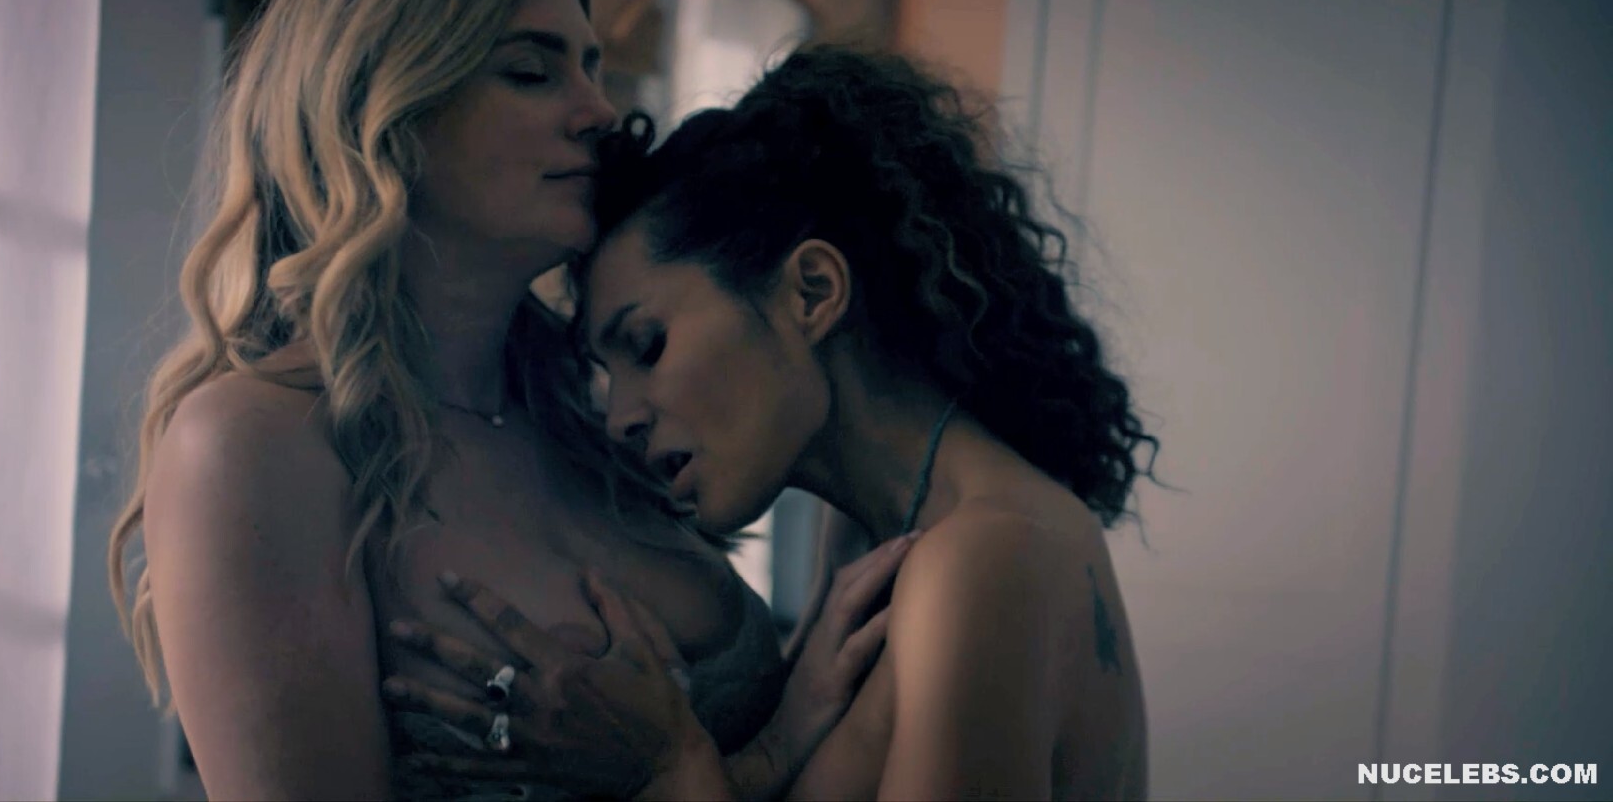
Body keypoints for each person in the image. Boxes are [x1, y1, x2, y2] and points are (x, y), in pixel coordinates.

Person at [105, 0, 899, 799]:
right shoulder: (257, 444)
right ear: (382, 109)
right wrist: (700, 768)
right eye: (531, 71)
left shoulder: (595, 415)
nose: (599, 111)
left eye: (592, 67)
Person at [380, 46, 1159, 800]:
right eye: (606, 372)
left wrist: (668, 767)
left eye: (647, 345)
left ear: (812, 291)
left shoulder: (982, 558)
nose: (620, 418)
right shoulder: (876, 537)